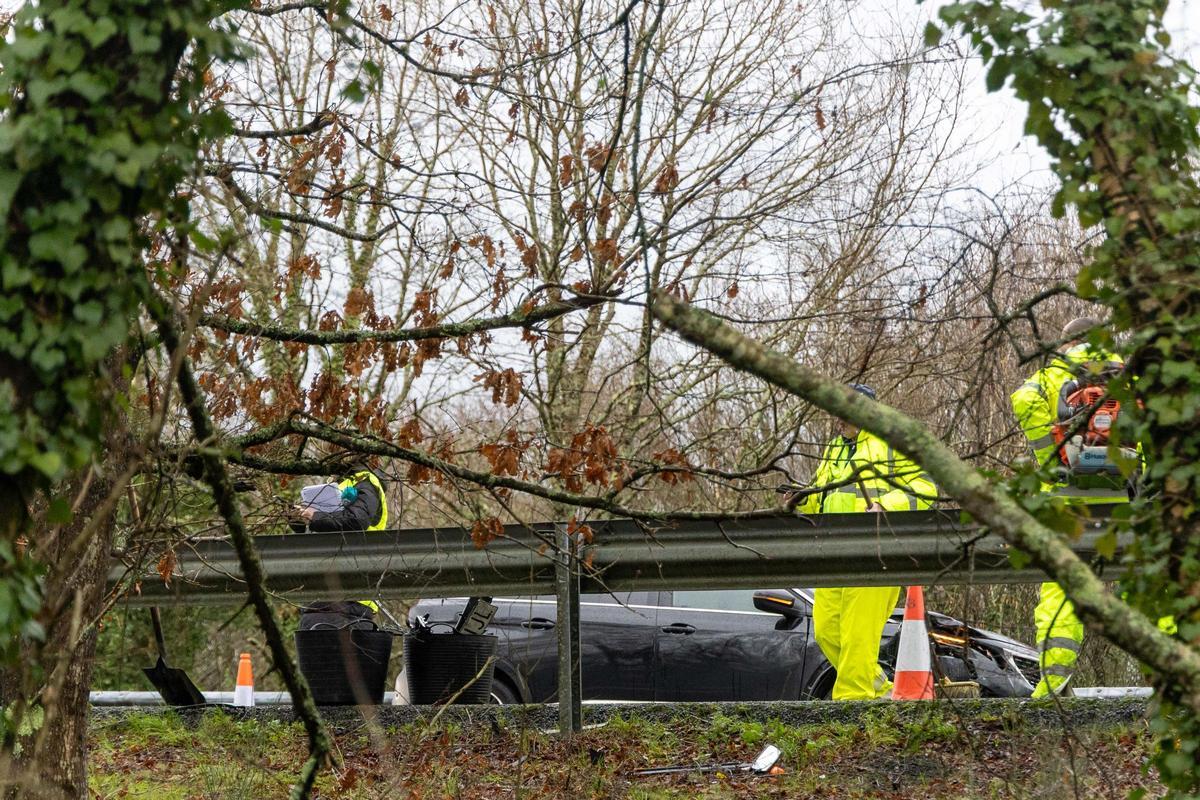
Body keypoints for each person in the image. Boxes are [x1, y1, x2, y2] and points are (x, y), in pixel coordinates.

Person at [1010, 317, 1129, 697]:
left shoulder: (1053, 374)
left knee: (1062, 592)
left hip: (1069, 497)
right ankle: (1175, 685)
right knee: (1148, 585)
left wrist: (1052, 456)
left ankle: (1053, 685)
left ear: (1066, 344)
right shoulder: (1127, 373)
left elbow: (1023, 399)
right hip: (1125, 497)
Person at [795, 383, 937, 700]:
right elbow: (822, 498)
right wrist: (800, 499)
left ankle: (852, 704)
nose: (838, 417)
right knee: (827, 630)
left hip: (877, 555)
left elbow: (926, 489)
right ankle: (879, 690)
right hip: (835, 555)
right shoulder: (835, 449)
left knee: (858, 634)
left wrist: (886, 506)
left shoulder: (892, 442)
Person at [293, 465, 389, 632]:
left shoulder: (365, 481)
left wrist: (315, 517)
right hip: (318, 597)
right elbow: (325, 528)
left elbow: (356, 520)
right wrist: (300, 519)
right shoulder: (336, 485)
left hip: (349, 601)